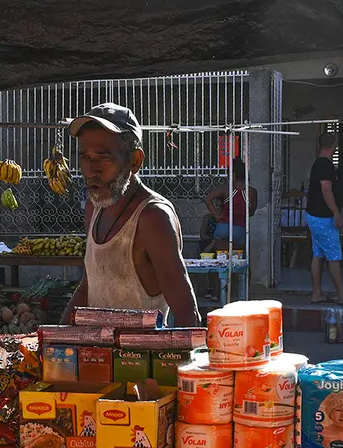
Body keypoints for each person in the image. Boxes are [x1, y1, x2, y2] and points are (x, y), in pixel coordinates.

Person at [61, 102, 200, 326]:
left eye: (103, 156)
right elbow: (90, 284)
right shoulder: (94, 208)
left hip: (142, 358)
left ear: (134, 161)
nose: (91, 169)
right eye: (84, 157)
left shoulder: (152, 217)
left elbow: (185, 308)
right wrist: (57, 336)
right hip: (97, 356)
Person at [306, 133, 343, 307]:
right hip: (323, 217)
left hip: (313, 216)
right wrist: (336, 212)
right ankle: (342, 296)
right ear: (333, 146)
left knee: (318, 254)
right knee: (334, 256)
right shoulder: (325, 165)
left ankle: (317, 292)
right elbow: (326, 189)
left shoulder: (317, 163)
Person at [202, 157, 258, 302]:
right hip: (240, 230)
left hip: (222, 229)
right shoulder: (252, 192)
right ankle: (245, 294)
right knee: (242, 262)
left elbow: (207, 198)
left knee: (219, 261)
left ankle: (217, 294)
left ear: (232, 174)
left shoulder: (226, 189)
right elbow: (251, 213)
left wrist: (218, 216)